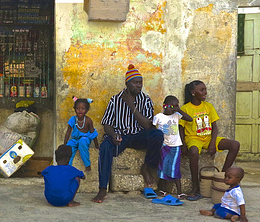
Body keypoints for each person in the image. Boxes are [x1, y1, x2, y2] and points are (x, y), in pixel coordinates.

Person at [92, 64, 163, 203]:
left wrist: (132, 106)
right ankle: (102, 189)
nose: (138, 85)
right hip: (120, 136)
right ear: (127, 83)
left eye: (140, 82)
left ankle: (146, 167)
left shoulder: (146, 100)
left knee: (158, 135)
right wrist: (113, 135)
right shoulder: (115, 100)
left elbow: (148, 125)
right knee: (105, 147)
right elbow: (107, 124)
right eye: (135, 82)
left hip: (139, 136)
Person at [180, 80, 241, 201]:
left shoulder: (208, 106)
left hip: (208, 138)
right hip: (193, 138)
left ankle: (223, 178)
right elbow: (180, 128)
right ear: (193, 92)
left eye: (205, 90)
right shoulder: (185, 108)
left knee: (235, 145)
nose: (205, 92)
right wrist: (182, 145)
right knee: (193, 152)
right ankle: (195, 187)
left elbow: (214, 126)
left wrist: (213, 142)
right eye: (201, 90)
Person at [153, 95, 192, 198]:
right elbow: (152, 128)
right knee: (163, 167)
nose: (173, 109)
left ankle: (180, 192)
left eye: (176, 106)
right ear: (164, 106)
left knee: (175, 168)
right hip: (164, 146)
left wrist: (179, 110)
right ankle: (163, 190)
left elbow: (190, 119)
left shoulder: (177, 115)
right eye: (171, 106)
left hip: (175, 147)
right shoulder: (158, 117)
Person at [63, 97, 98, 171]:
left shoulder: (88, 120)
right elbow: (68, 132)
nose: (80, 110)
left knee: (82, 141)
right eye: (78, 108)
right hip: (75, 139)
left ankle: (87, 164)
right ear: (75, 109)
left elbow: (93, 133)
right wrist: (65, 144)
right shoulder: (73, 119)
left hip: (85, 139)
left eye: (83, 108)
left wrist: (97, 146)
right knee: (70, 146)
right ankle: (68, 167)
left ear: (87, 110)